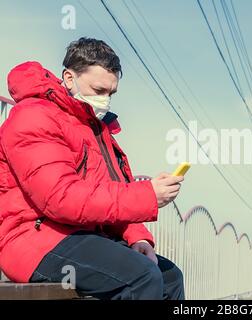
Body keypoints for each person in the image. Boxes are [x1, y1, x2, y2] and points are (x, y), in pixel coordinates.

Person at [0, 37, 185, 300]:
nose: (105, 100)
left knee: (170, 277)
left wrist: (138, 238)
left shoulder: (94, 127)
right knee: (141, 278)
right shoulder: (34, 116)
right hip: (35, 237)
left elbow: (114, 190)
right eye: (99, 90)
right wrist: (147, 196)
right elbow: (60, 198)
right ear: (69, 78)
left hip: (82, 235)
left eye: (111, 93)